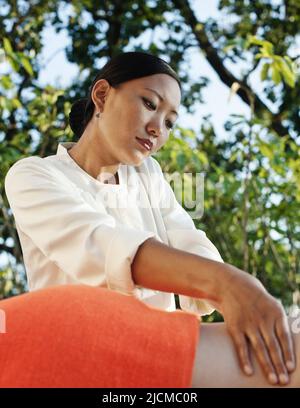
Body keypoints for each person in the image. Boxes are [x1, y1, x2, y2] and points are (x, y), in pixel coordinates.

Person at [4, 51, 299, 388]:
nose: (158, 128)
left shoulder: (147, 174)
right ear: (101, 95)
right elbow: (101, 245)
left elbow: (189, 241)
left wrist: (240, 296)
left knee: (291, 335)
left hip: (159, 343)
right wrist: (226, 284)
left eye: (170, 121)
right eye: (149, 103)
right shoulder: (33, 174)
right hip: (80, 349)